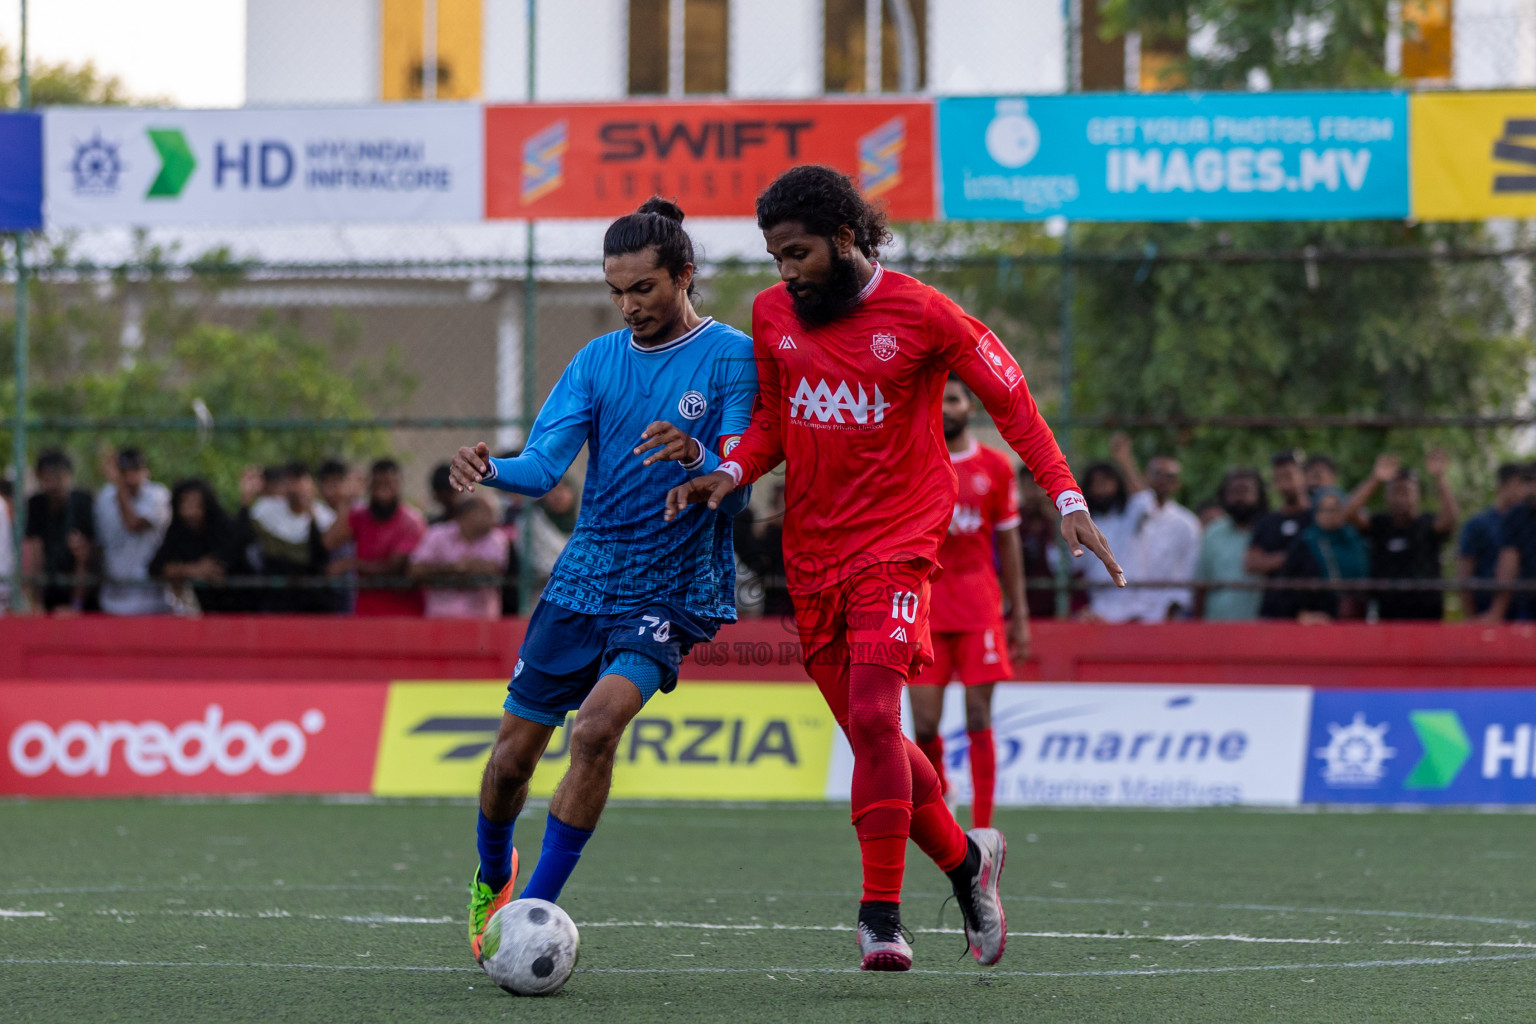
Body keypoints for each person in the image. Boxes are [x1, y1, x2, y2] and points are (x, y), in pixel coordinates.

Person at [663, 165, 1122, 972]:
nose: (786, 273)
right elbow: (770, 421)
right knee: (873, 737)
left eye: (799, 253)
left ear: (846, 238)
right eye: (776, 257)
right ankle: (968, 864)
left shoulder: (922, 313)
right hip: (812, 554)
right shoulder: (774, 316)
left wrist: (1067, 496)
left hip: (900, 543)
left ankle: (880, 916)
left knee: (877, 716)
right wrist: (730, 472)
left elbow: (1012, 399)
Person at [449, 198, 757, 962]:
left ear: (685, 276)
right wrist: (492, 472)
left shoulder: (732, 358)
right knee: (510, 762)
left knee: (594, 730)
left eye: (644, 289)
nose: (629, 305)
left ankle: (531, 913)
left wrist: (696, 460)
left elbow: (743, 478)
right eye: (616, 290)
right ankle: (494, 873)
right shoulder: (595, 360)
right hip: (584, 575)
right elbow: (544, 466)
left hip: (671, 581)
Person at [908, 374, 1028, 833]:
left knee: (979, 715)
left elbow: (1010, 544)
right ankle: (941, 796)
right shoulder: (914, 463)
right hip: (925, 607)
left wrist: (1020, 615)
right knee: (924, 723)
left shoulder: (996, 467)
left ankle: (982, 828)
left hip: (979, 608)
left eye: (954, 399)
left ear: (969, 408)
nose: (945, 408)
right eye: (937, 401)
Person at [1344, 450, 1459, 621]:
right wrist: (1375, 479)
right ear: (1386, 496)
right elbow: (1349, 513)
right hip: (1387, 613)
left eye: (1406, 491)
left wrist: (1440, 478)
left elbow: (1451, 519)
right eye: (1395, 491)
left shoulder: (1427, 523)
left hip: (1427, 613)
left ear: (1417, 495)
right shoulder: (1380, 524)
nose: (1400, 498)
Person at [1109, 434, 1201, 621]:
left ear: (1178, 483)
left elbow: (1187, 570)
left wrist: (1173, 608)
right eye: (1157, 474)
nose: (1163, 480)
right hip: (1123, 610)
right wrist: (1124, 460)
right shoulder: (1131, 512)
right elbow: (1143, 501)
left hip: (1164, 613)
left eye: (1170, 476)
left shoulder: (1187, 523)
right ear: (1146, 477)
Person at [324, 459, 427, 616]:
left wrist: (350, 564)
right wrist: (346, 500)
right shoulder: (360, 516)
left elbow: (393, 567)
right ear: (370, 486)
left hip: (404, 614)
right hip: (366, 612)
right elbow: (329, 541)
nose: (383, 491)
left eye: (389, 484)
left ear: (398, 485)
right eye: (378, 484)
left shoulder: (412, 522)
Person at [239, 461, 336, 614]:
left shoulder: (325, 516)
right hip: (275, 595)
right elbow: (242, 535)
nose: (295, 489)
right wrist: (246, 497)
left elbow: (320, 555)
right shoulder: (266, 509)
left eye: (300, 482)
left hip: (311, 598)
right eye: (291, 482)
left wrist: (310, 510)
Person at [1269, 486, 1370, 621]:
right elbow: (1285, 588)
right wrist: (1301, 613)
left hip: (1356, 620)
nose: (1331, 514)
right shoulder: (1304, 544)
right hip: (1316, 623)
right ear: (1316, 513)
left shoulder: (1355, 540)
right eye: (1324, 509)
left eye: (1336, 508)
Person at [95, 447, 172, 616]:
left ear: (146, 472)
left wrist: (120, 485)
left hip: (152, 602)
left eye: (135, 471)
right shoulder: (104, 498)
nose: (130, 478)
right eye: (124, 472)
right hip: (112, 601)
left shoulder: (159, 495)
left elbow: (133, 524)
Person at [409, 495, 509, 620]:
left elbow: (493, 568)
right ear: (469, 514)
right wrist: (452, 568)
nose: (494, 518)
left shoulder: (497, 539)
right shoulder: (437, 535)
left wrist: (461, 568)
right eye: (487, 513)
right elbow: (415, 570)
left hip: (482, 622)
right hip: (440, 618)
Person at [22, 449, 97, 614]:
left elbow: (84, 557)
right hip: (48, 592)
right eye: (48, 478)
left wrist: (76, 606)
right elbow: (35, 555)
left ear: (69, 476)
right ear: (39, 478)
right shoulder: (36, 504)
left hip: (82, 599)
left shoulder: (83, 502)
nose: (54, 485)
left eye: (59, 477)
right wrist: (37, 602)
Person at [150, 478, 240, 614]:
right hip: (205, 607)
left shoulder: (224, 525)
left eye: (196, 504)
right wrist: (189, 570)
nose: (190, 512)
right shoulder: (177, 530)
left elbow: (222, 563)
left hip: (238, 603)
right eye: (185, 504)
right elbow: (156, 567)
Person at [1458, 463, 1531, 619]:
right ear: (1502, 486)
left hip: (1524, 608)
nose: (1525, 490)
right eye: (1519, 484)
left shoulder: (1527, 522)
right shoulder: (1477, 525)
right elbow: (1465, 571)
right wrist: (1471, 616)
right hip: (1485, 607)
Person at [1077, 461, 1148, 623]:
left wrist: (1124, 459)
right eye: (1095, 484)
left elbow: (1144, 501)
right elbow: (1069, 565)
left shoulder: (1130, 517)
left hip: (1135, 610)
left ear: (1118, 484)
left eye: (1105, 482)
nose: (1100, 489)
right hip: (1096, 611)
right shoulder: (1083, 523)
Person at [1194, 468, 1267, 621]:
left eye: (1246, 491)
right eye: (1234, 491)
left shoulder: (1271, 531)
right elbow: (1200, 587)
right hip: (1217, 625)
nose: (1240, 497)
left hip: (1261, 628)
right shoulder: (1213, 534)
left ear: (1259, 495)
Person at [1249, 452, 1312, 619]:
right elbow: (1252, 562)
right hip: (1275, 609)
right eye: (1278, 478)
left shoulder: (1319, 517)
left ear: (1304, 476)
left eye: (1289, 476)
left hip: (1314, 610)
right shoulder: (1267, 521)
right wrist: (1292, 558)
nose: (1285, 483)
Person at [1017, 466, 1080, 618]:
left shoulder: (1064, 520)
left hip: (1060, 611)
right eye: (1024, 487)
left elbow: (1073, 568)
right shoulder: (1016, 522)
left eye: (1034, 487)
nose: (1029, 495)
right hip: (1025, 609)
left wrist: (1052, 520)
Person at [1484, 466, 1536, 623]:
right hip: (1529, 606)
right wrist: (1495, 614)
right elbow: (1508, 566)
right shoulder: (1516, 516)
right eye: (1527, 481)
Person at [523, 478, 579, 592]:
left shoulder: (584, 524)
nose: (558, 495)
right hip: (543, 592)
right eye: (553, 490)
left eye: (563, 489)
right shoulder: (533, 522)